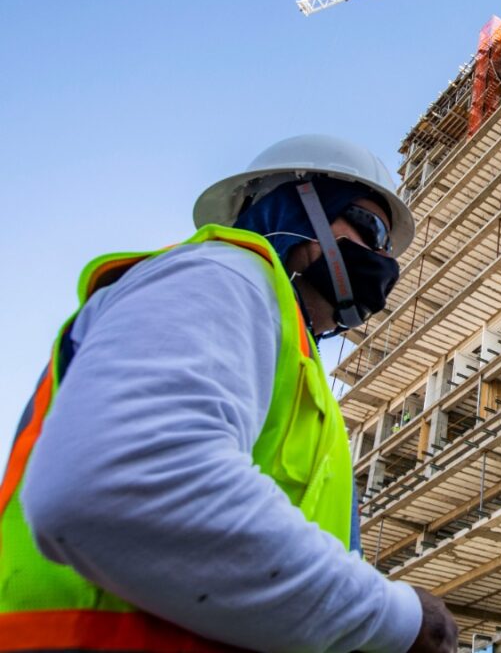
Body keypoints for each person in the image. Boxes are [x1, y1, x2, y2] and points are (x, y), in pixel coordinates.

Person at [0, 135, 458, 652]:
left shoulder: (295, 364)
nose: (380, 258)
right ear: (298, 207)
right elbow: (120, 485)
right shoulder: (224, 275)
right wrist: (394, 618)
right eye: (370, 227)